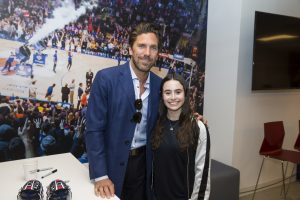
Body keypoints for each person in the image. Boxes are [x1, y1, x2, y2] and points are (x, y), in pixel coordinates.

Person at [85, 22, 162, 200]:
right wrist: (101, 175)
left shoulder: (160, 85)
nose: (147, 53)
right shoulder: (106, 78)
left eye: (153, 48)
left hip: (144, 168)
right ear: (130, 49)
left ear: (157, 53)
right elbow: (93, 130)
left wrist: (192, 119)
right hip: (110, 166)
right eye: (141, 46)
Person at [151, 74, 210, 200]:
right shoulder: (155, 124)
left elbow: (202, 171)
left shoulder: (198, 127)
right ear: (162, 95)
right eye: (167, 92)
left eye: (178, 92)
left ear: (185, 94)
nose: (173, 97)